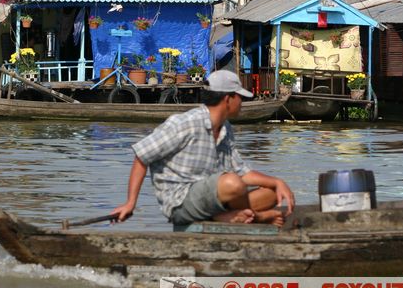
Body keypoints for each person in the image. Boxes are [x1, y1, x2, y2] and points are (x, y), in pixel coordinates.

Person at [112, 70, 294, 226]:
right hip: (180, 203)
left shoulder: (225, 127)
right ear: (228, 99)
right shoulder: (186, 123)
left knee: (271, 194)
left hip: (214, 199)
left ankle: (229, 216)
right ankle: (255, 217)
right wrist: (130, 203)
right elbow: (142, 157)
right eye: (240, 97)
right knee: (231, 183)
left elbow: (241, 172)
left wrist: (277, 182)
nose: (242, 102)